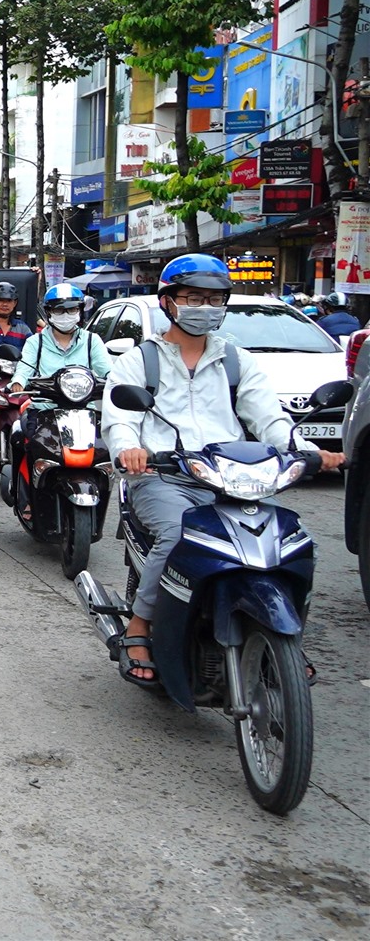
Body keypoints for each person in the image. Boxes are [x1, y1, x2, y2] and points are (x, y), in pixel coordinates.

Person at [101, 254, 344, 684]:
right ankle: (140, 624)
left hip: (230, 476)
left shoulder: (237, 361)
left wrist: (307, 451)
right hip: (163, 475)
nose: (205, 306)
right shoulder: (140, 360)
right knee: (178, 534)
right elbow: (120, 417)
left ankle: (285, 634)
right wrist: (130, 449)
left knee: (289, 540)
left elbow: (270, 420)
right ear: (168, 302)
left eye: (215, 299)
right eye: (194, 297)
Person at [7, 283, 113, 521]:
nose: (66, 316)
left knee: (104, 451)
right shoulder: (37, 342)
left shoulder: (91, 341)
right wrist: (18, 383)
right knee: (20, 438)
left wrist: (117, 383)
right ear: (49, 313)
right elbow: (25, 367)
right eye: (59, 311)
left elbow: (108, 371)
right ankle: (24, 496)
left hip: (85, 412)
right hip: (44, 410)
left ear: (80, 312)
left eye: (72, 310)